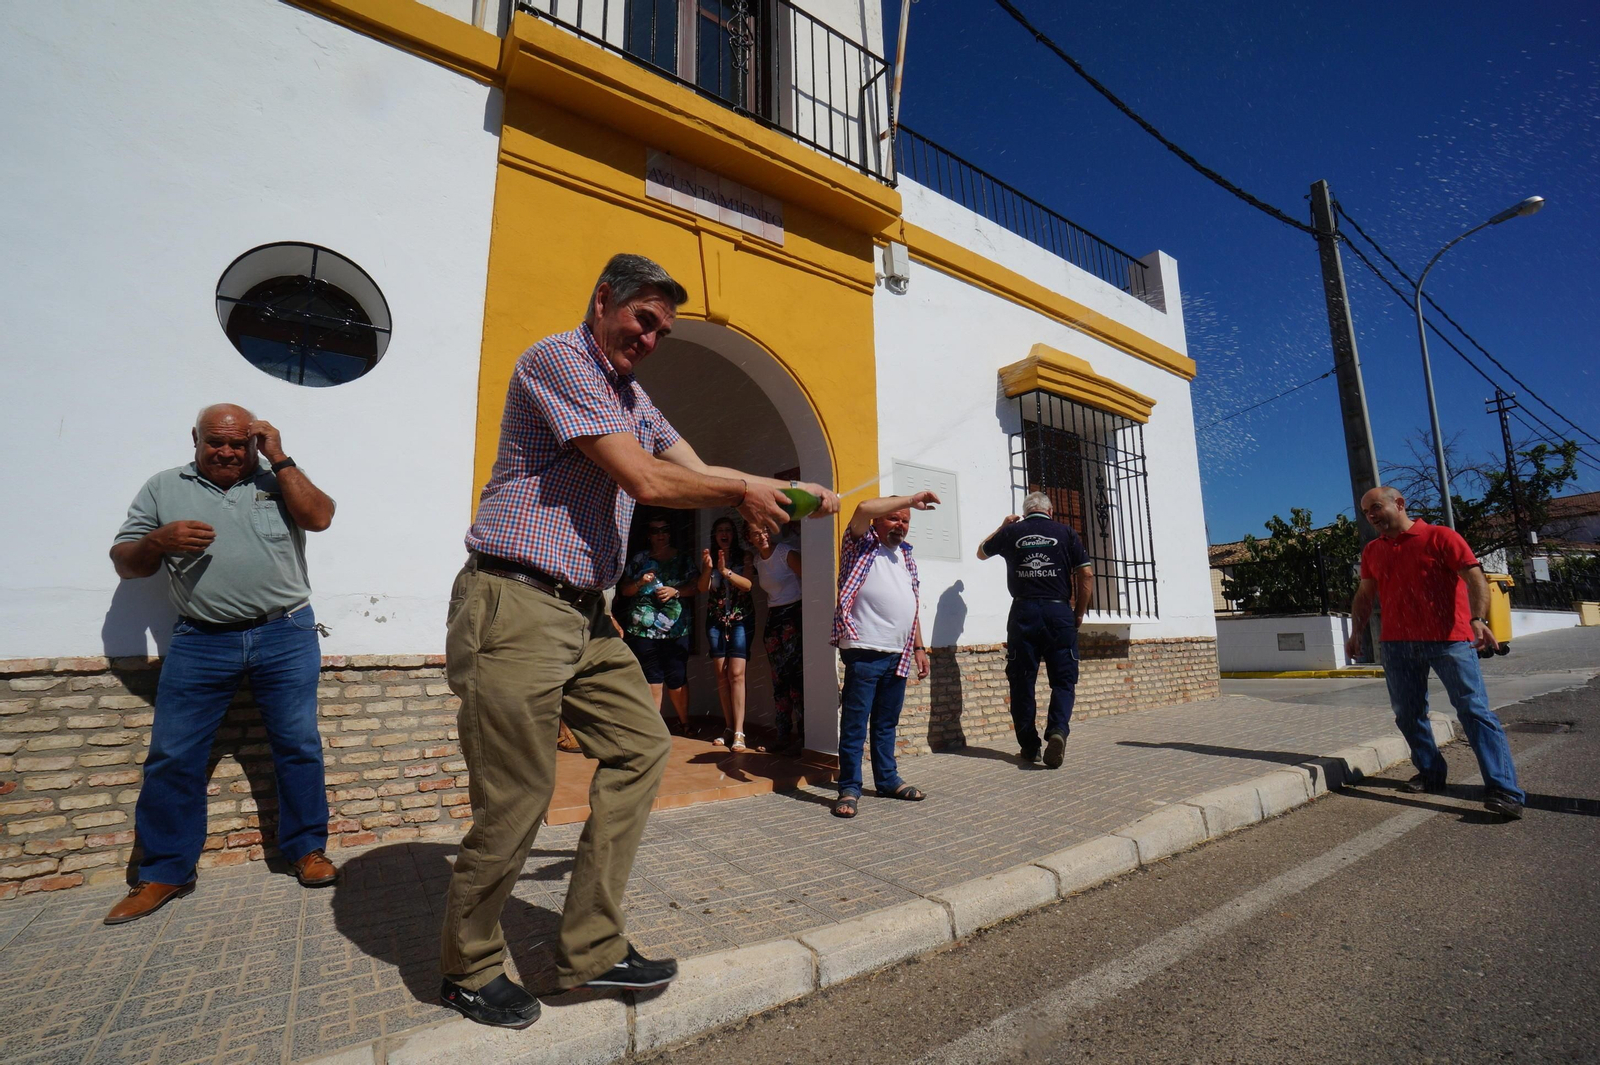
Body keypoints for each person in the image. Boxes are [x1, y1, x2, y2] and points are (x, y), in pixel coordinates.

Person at [439, 253, 838, 1029]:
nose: (650, 337)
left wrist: (779, 497)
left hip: (586, 613)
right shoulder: (559, 359)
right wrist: (749, 489)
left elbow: (696, 466)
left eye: (662, 328)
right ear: (602, 302)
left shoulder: (635, 397)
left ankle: (589, 944)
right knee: (517, 795)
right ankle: (469, 963)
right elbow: (648, 483)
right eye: (642, 319)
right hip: (514, 599)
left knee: (641, 746)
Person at [103, 404, 338, 925]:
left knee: (298, 746)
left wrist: (280, 458)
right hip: (200, 641)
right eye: (216, 442)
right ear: (196, 439)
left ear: (254, 443)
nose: (228, 451)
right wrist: (157, 542)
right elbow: (124, 563)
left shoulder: (278, 479)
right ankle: (164, 871)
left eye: (239, 443)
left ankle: (307, 850)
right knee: (172, 756)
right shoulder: (164, 487)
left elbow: (319, 518)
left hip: (286, 632)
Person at [1345, 486, 1525, 819]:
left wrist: (1478, 619)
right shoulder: (1372, 551)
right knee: (1407, 714)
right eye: (1366, 511)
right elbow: (1365, 594)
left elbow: (1475, 577)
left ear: (1399, 504)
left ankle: (1504, 789)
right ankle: (1431, 773)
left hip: (1450, 641)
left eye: (1376, 507)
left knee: (1474, 711)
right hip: (1398, 644)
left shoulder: (1441, 537)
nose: (1370, 515)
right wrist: (1356, 632)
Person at [828, 492, 939, 819]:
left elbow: (911, 604)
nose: (900, 525)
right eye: (893, 517)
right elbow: (861, 508)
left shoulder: (904, 557)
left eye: (905, 520)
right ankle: (849, 787)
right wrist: (908, 499)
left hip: (899, 653)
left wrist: (919, 646)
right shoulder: (859, 546)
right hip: (865, 651)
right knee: (855, 724)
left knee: (886, 723)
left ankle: (887, 779)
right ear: (878, 521)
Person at [977, 492, 1094, 768]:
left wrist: (1003, 527)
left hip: (1023, 613)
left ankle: (1030, 748)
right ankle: (1057, 731)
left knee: (1021, 682)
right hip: (1058, 613)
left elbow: (981, 552)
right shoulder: (1066, 533)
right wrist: (1078, 613)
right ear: (1050, 511)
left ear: (1025, 512)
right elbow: (1086, 574)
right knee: (1063, 680)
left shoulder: (1012, 532)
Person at [616, 517, 699, 734]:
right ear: (649, 535)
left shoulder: (682, 559)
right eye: (655, 531)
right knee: (652, 677)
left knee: (677, 676)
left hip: (676, 629)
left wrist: (676, 591)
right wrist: (640, 582)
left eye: (664, 530)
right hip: (643, 630)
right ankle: (656, 729)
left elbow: (698, 586)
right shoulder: (639, 560)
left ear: (670, 533)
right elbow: (624, 591)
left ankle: (684, 723)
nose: (660, 534)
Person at [748, 520, 805, 757]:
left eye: (764, 531)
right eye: (755, 533)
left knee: (795, 681)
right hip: (774, 619)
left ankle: (803, 738)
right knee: (779, 681)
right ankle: (783, 734)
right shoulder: (756, 561)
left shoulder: (786, 553)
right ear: (749, 538)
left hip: (793, 615)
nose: (761, 536)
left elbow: (810, 580)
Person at [698, 516, 755, 751]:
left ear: (734, 534)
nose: (725, 534)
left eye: (728, 530)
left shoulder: (745, 556)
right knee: (721, 675)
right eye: (720, 530)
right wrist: (710, 569)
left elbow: (748, 585)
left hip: (740, 619)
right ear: (715, 535)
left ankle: (740, 731)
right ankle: (729, 727)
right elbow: (702, 588)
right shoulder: (709, 556)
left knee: (737, 674)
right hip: (716, 620)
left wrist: (725, 571)